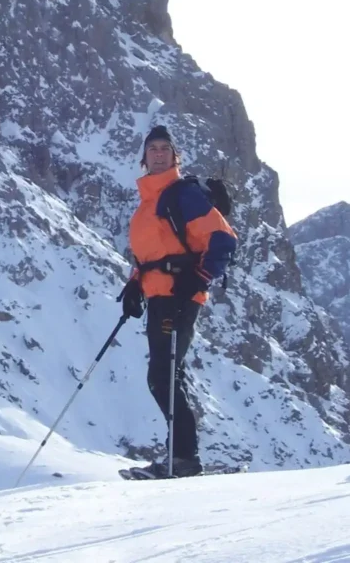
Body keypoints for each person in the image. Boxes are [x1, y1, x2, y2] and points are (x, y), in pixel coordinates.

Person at [117, 125, 238, 478]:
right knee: (166, 374)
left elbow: (222, 240)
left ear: (175, 156)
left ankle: (183, 459)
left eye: (164, 148)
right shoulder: (147, 205)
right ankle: (181, 456)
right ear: (143, 157)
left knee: (163, 375)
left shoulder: (183, 195)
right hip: (159, 297)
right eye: (152, 148)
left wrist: (197, 278)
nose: (157, 153)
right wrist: (135, 286)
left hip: (180, 296)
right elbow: (152, 254)